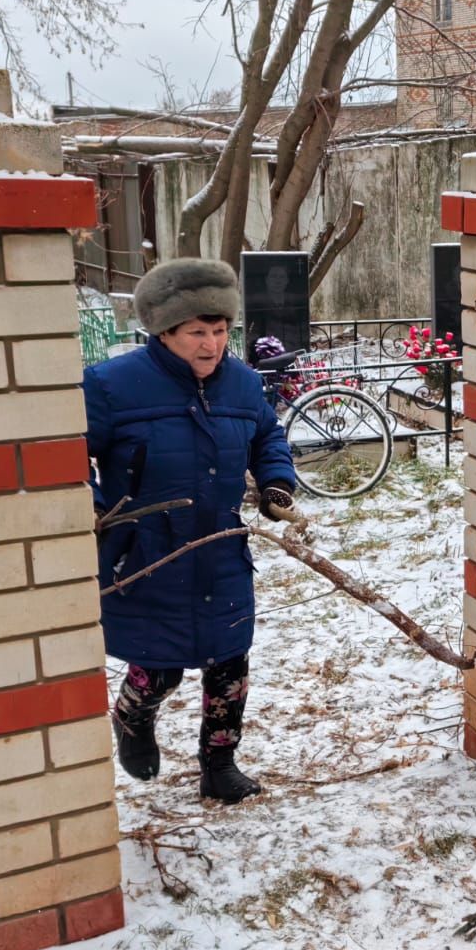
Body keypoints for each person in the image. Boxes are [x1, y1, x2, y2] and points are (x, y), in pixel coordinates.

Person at [84, 259, 302, 804]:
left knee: (230, 663)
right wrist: (86, 508)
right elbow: (66, 457)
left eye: (221, 330)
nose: (211, 345)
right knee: (159, 667)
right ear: (164, 332)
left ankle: (219, 764)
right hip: (145, 552)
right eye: (196, 333)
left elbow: (267, 437)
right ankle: (132, 719)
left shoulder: (244, 384)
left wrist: (276, 484)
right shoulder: (111, 385)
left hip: (221, 546)